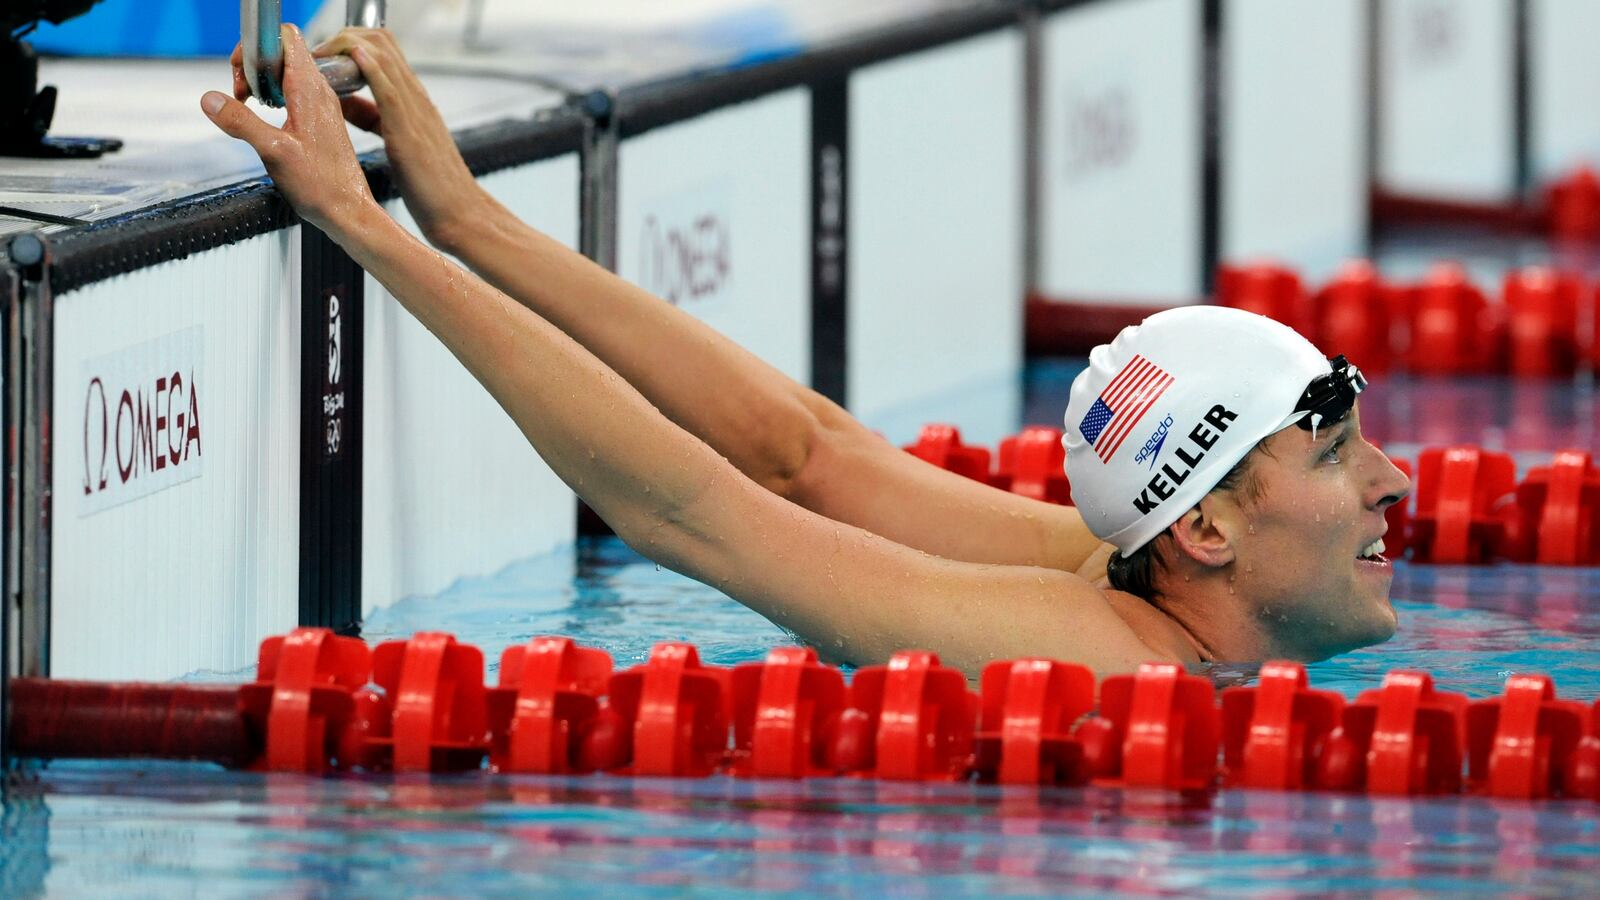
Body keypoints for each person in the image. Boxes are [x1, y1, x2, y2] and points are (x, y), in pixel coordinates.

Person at [200, 26, 1410, 679]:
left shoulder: (1122, 566)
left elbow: (803, 456)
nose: (1393, 482)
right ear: (1204, 529)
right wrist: (365, 226)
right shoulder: (1092, 655)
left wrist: (470, 217)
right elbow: (691, 510)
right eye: (1338, 452)